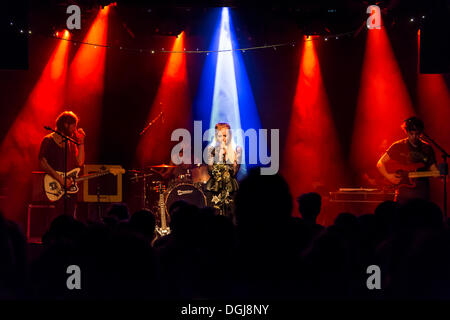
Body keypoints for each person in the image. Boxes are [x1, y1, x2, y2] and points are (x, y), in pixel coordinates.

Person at [376, 116, 438, 204]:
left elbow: (434, 170)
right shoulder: (398, 146)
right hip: (403, 195)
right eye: (411, 133)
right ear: (406, 131)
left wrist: (440, 174)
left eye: (417, 134)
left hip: (422, 194)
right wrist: (388, 176)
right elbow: (380, 163)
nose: (414, 136)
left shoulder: (427, 148)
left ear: (421, 133)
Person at [38, 111, 85, 217]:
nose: (75, 129)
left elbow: (80, 162)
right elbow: (42, 162)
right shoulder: (48, 140)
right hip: (53, 187)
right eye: (74, 126)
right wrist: (60, 179)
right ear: (65, 124)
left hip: (68, 189)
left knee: (69, 218)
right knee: (55, 218)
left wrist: (81, 142)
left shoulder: (71, 143)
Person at [205, 123, 241, 222]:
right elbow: (210, 171)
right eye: (219, 135)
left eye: (225, 135)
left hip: (230, 189)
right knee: (214, 218)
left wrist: (228, 156)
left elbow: (234, 172)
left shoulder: (236, 150)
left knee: (231, 217)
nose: (222, 138)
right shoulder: (210, 150)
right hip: (215, 188)